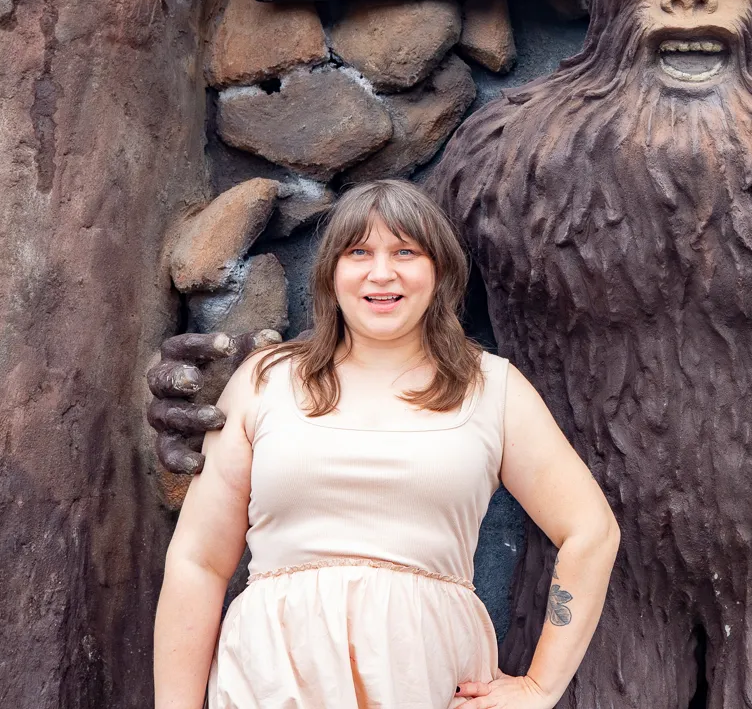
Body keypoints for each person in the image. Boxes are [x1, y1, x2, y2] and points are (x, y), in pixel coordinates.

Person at [153, 179, 620, 709]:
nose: (381, 272)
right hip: (272, 677)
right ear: (332, 273)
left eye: (405, 252)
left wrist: (540, 688)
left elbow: (592, 531)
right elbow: (198, 562)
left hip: (425, 677)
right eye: (359, 252)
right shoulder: (266, 379)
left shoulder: (493, 388)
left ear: (438, 272)